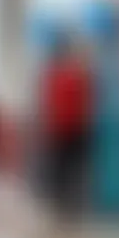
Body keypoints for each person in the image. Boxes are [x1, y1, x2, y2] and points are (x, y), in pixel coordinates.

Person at [39, 34, 94, 221]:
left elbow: (49, 103)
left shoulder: (54, 75)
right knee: (69, 168)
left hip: (63, 128)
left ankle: (64, 202)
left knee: (64, 167)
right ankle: (68, 202)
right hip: (72, 128)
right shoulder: (75, 74)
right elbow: (84, 101)